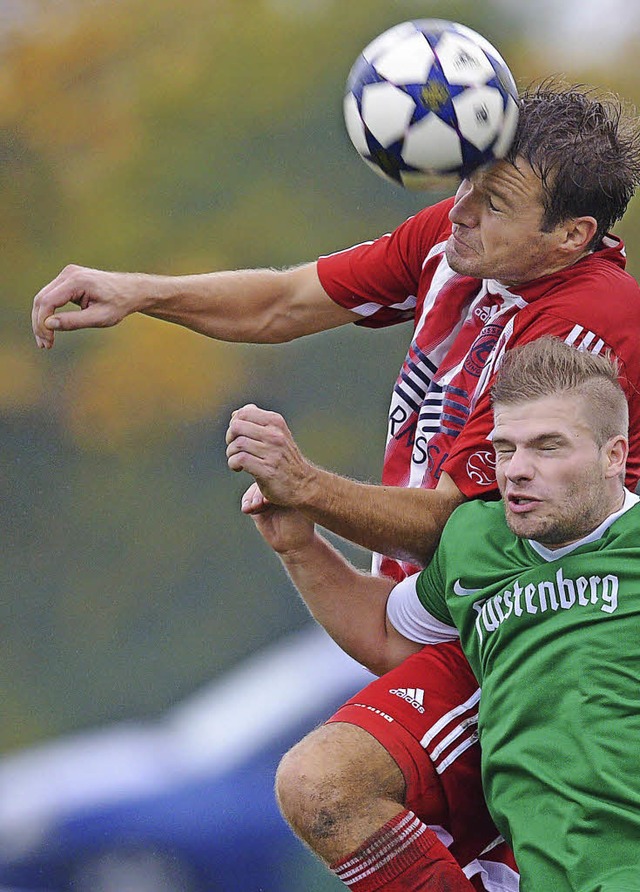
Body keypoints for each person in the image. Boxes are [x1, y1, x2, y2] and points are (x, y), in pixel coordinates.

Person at [32, 83, 640, 888]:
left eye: (494, 202)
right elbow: (286, 302)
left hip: (541, 635)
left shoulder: (591, 314)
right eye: (461, 183)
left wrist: (307, 484)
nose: (460, 212)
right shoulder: (455, 245)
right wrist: (143, 292)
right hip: (463, 616)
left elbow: (467, 530)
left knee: (329, 781)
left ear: (572, 235)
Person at [245, 336, 640, 892]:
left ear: (614, 456)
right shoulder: (477, 537)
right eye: (505, 449)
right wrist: (300, 547)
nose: (517, 471)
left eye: (548, 447)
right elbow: (386, 634)